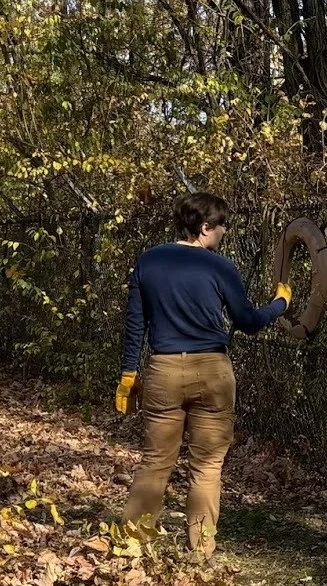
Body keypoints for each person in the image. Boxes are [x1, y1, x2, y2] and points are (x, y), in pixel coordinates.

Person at [118, 192, 289, 557]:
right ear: (204, 227)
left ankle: (133, 546)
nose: (225, 231)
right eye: (222, 224)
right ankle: (200, 550)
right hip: (212, 370)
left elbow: (135, 324)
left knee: (155, 462)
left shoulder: (148, 261)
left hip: (164, 369)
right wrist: (279, 304)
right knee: (208, 466)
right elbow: (248, 322)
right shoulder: (219, 267)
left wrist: (128, 373)